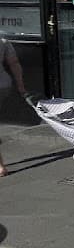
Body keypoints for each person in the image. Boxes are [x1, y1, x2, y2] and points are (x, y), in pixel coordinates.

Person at [0, 36, 28, 178]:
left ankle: (1, 166)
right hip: (3, 85)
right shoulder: (3, 40)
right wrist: (21, 86)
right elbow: (14, 63)